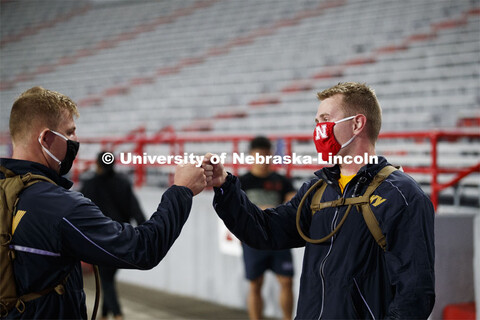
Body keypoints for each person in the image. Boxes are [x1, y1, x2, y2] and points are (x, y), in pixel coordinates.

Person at [203, 82, 435, 319]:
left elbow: (415, 294)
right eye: (316, 123)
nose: (318, 130)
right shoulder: (316, 189)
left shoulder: (401, 196)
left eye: (325, 119)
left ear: (357, 124)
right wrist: (225, 186)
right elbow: (265, 230)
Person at [0, 86, 206, 319]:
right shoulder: (60, 206)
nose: (75, 141)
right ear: (46, 138)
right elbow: (142, 249)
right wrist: (182, 191)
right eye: (69, 133)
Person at [81, 152, 147, 320]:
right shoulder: (123, 183)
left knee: (106, 279)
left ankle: (117, 314)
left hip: (99, 241)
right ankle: (104, 314)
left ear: (97, 164)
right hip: (122, 239)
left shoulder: (90, 184)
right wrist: (143, 236)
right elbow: (136, 211)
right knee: (107, 277)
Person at [239, 136, 296, 320]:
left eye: (266, 155)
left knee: (286, 281)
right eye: (259, 155)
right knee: (255, 283)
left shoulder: (281, 180)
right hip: (254, 239)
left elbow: (293, 199)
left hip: (279, 238)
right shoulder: (242, 182)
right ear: (251, 156)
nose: (263, 160)